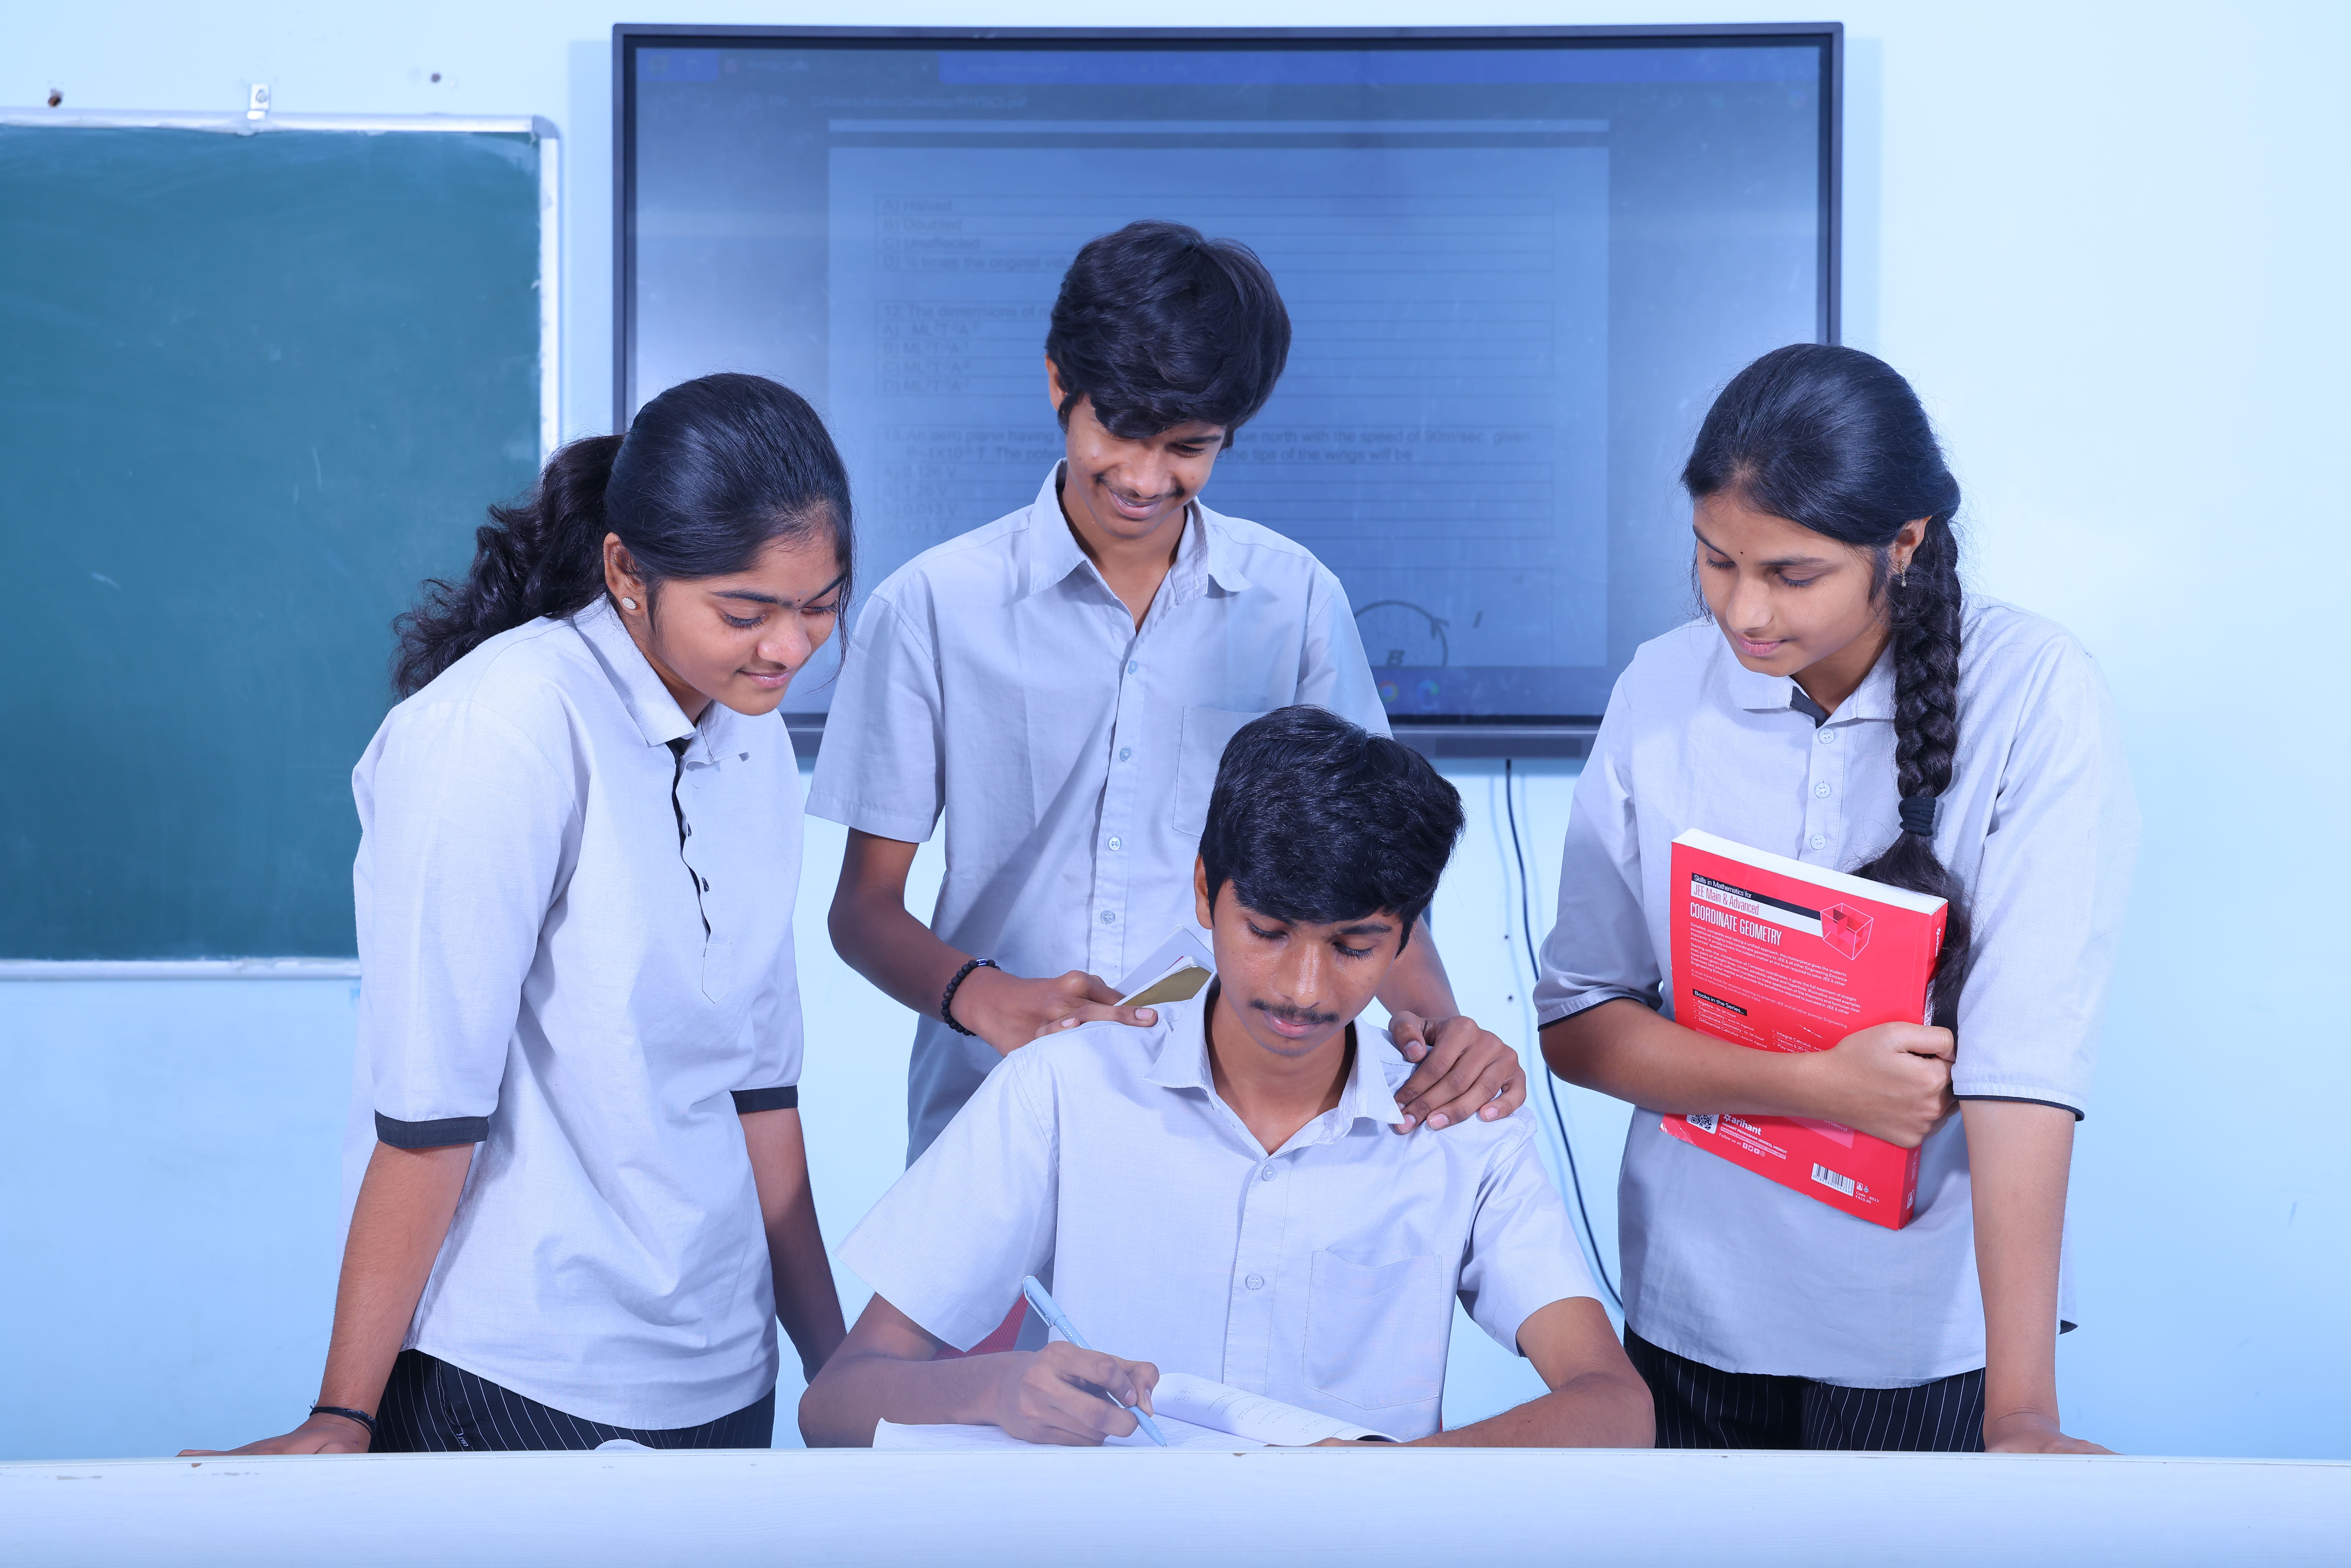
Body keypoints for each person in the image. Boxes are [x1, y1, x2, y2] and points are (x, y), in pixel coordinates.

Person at [182, 374, 853, 1456]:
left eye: (821, 607)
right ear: (628, 570)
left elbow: (759, 1090)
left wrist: (838, 1368)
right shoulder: (500, 733)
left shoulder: (751, 736)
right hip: (516, 1373)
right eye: (746, 612)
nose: (788, 648)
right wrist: (345, 1414)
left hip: (721, 1370)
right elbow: (429, 1111)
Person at [813, 222, 1524, 1224]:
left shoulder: (1295, 602)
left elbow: (1376, 880)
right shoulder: (931, 608)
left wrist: (1437, 1030)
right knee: (987, 1384)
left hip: (1242, 1137)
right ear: (1060, 384)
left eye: (1188, 448)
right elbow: (863, 910)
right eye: (1120, 431)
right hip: (994, 1124)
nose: (1146, 479)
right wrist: (987, 997)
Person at [1535, 344, 2137, 1453]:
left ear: (1901, 545)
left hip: (1922, 1336)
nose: (1744, 612)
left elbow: (2022, 1073)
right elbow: (1578, 1022)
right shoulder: (1660, 689)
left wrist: (2023, 1414)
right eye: (1717, 561)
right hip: (1688, 1317)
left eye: (1793, 574)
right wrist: (1817, 1086)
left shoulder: (2034, 693)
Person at [800, 707, 1652, 1450]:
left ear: (1402, 940)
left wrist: (1381, 1478)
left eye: (1353, 946)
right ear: (1206, 893)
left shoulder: (1460, 1126)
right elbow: (835, 1402)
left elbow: (1616, 1410)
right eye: (1269, 931)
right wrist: (996, 1390)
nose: (1303, 989)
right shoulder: (1065, 1090)